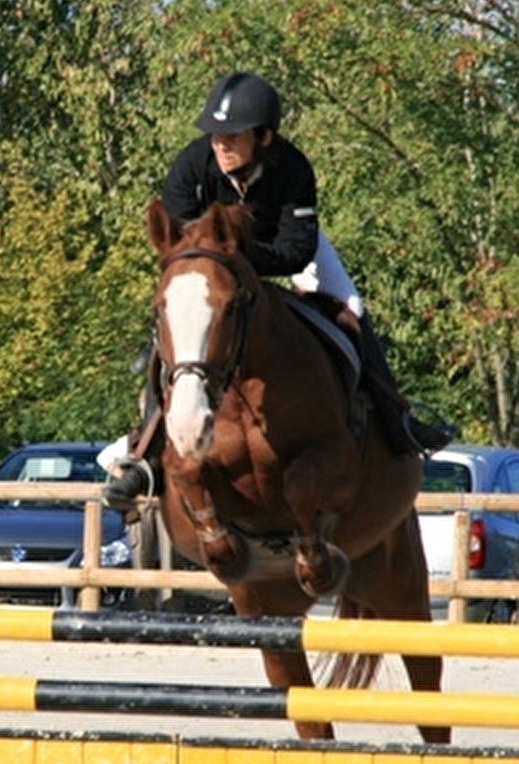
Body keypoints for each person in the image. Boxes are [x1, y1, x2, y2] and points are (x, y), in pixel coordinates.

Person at [101, 71, 453, 510]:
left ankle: (396, 416)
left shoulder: (293, 168)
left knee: (351, 306)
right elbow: (180, 242)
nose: (220, 145)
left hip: (277, 253)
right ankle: (144, 451)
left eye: (233, 136)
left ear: (264, 136)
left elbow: (296, 251)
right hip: (211, 263)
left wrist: (241, 264)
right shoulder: (192, 165)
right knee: (179, 326)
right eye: (216, 135)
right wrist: (221, 269)